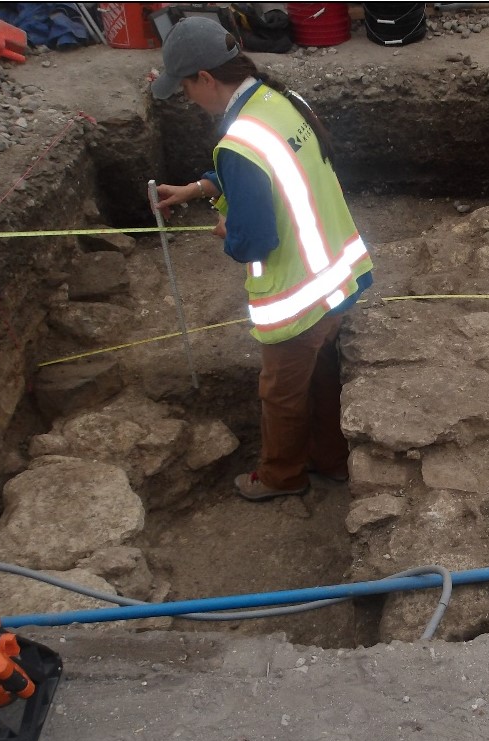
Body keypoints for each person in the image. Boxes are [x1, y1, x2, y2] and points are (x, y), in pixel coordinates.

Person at [151, 16, 373, 502]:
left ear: (205, 78)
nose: (188, 99)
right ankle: (332, 460)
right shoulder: (278, 101)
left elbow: (253, 242)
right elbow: (267, 167)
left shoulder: (238, 144)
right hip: (336, 277)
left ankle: (281, 476)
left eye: (186, 87)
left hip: (298, 297)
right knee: (320, 375)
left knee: (280, 393)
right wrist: (201, 186)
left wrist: (229, 231)